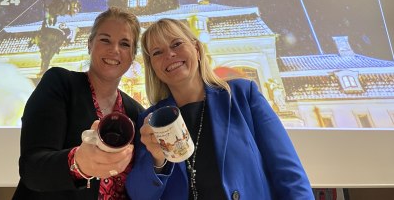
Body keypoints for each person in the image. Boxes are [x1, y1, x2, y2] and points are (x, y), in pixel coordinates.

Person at [126, 18, 313, 200]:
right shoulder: (149, 121)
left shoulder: (243, 95)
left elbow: (289, 174)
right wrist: (157, 161)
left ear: (197, 49)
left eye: (176, 44)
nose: (169, 55)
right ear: (152, 67)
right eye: (157, 52)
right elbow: (139, 194)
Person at [12, 7, 145, 200]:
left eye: (124, 44)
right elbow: (32, 169)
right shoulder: (59, 84)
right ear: (90, 44)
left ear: (132, 56)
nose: (114, 50)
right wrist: (78, 163)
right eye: (105, 40)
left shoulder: (136, 112)